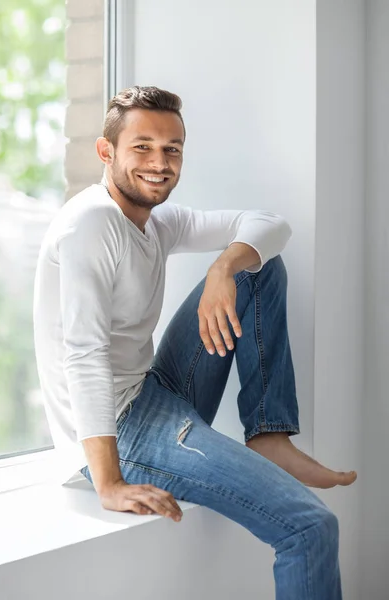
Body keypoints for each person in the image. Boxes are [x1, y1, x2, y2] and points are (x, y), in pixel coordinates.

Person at [33, 86, 357, 599]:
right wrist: (109, 482)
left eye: (172, 149)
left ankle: (268, 433)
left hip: (153, 391)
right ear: (106, 152)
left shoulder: (156, 223)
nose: (159, 163)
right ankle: (251, 446)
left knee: (256, 264)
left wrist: (223, 266)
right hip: (122, 432)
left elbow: (271, 225)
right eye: (141, 147)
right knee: (310, 526)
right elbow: (84, 356)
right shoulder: (91, 224)